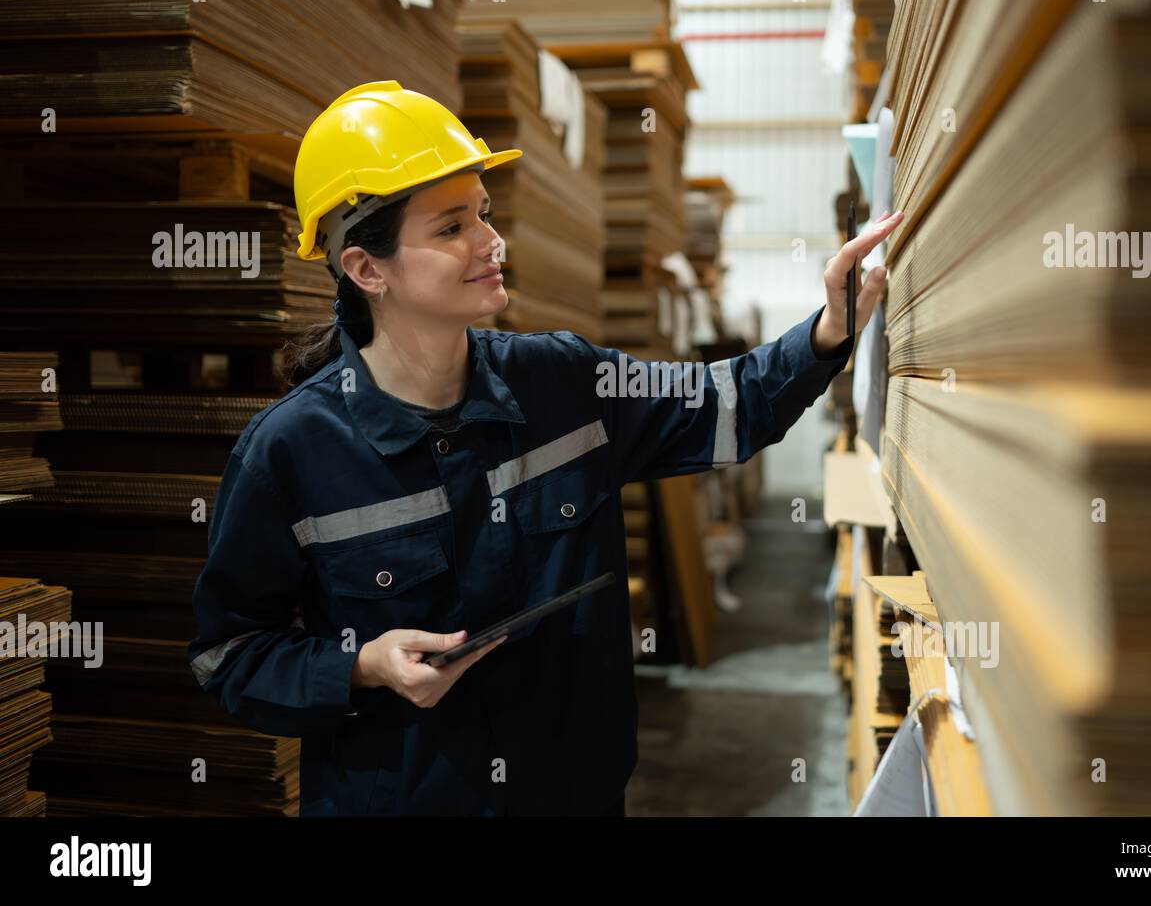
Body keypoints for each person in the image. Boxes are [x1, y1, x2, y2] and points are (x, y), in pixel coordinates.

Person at [186, 80, 903, 816]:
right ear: (368, 270)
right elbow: (230, 655)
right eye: (450, 228)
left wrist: (830, 329)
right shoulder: (291, 451)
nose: (491, 242)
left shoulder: (562, 382)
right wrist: (362, 666)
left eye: (484, 216)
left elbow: (728, 406)